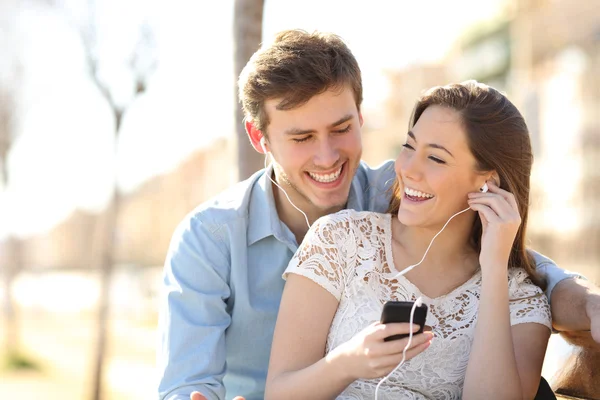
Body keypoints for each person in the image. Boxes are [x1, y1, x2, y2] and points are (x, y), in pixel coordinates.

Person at [156, 30, 600, 400]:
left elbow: (529, 269)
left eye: (342, 128)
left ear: (361, 116)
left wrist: (590, 306)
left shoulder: (403, 187)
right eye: (303, 137)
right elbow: (187, 383)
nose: (328, 156)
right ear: (259, 137)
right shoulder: (207, 239)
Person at [266, 81, 553, 399]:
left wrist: (494, 268)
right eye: (409, 146)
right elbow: (278, 393)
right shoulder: (339, 239)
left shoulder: (520, 299)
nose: (408, 169)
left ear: (488, 184)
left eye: (436, 159)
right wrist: (347, 363)